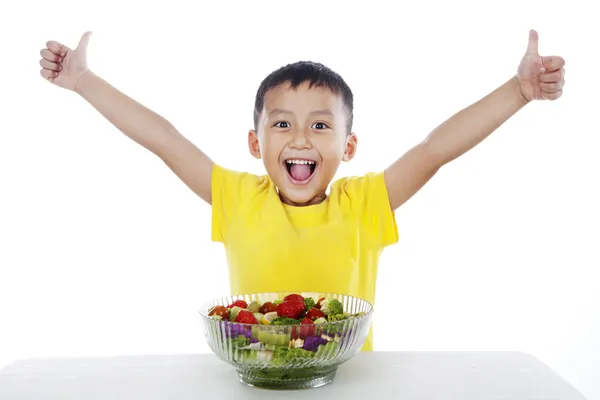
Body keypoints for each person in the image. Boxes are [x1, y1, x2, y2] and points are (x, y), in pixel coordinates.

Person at [38, 30, 565, 351]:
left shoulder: (363, 205)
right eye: (282, 124)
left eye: (320, 126)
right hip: (256, 382)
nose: (300, 140)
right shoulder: (239, 199)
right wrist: (84, 82)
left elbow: (434, 150)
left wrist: (518, 91)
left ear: (349, 145)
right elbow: (165, 140)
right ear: (255, 141)